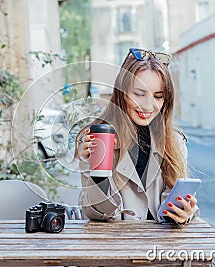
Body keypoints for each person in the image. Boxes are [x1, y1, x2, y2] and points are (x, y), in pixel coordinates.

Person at [75, 48, 199, 226]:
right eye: (139, 94)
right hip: (117, 247)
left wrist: (186, 212)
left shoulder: (174, 141)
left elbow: (181, 201)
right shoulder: (98, 138)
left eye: (158, 96)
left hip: (162, 247)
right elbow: (98, 213)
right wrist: (98, 172)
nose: (148, 105)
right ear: (121, 93)